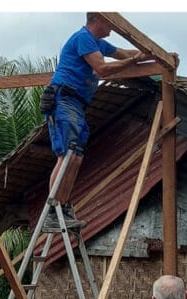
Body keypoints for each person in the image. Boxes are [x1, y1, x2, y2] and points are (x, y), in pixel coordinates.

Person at [42, 13, 145, 229]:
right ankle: (52, 209)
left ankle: (63, 207)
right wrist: (133, 61)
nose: (114, 28)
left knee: (76, 158)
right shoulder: (83, 38)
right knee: (67, 154)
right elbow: (102, 69)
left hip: (76, 104)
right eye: (111, 23)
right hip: (64, 99)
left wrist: (150, 56)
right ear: (98, 20)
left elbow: (125, 53)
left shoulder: (98, 43)